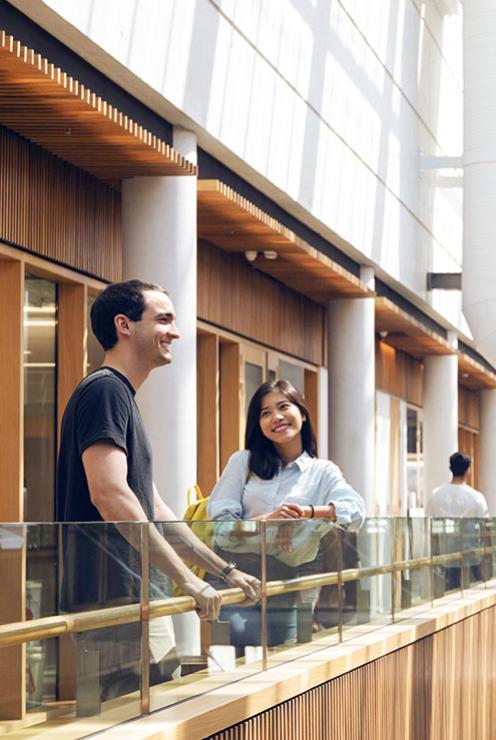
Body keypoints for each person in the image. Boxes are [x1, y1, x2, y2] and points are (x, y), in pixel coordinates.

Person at [55, 280, 261, 709]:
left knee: (158, 711)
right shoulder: (105, 391)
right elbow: (111, 496)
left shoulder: (121, 397)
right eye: (164, 319)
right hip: (111, 598)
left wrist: (224, 571)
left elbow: (159, 510)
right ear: (124, 325)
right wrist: (186, 580)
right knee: (129, 721)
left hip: (136, 593)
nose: (176, 332)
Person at [208, 379, 366, 646]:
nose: (276, 417)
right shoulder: (242, 462)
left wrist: (304, 514)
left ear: (302, 413)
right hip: (236, 575)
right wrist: (270, 521)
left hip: (291, 581)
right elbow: (221, 529)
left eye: (283, 407)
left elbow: (356, 512)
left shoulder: (322, 471)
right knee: (239, 661)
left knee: (284, 659)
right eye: (265, 412)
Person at [427, 452, 489, 591]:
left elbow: (429, 524)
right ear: (468, 470)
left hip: (444, 555)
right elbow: (485, 526)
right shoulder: (476, 497)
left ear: (450, 468)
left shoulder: (436, 494)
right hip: (470, 557)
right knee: (474, 592)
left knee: (446, 594)